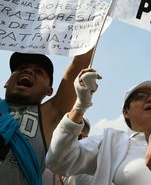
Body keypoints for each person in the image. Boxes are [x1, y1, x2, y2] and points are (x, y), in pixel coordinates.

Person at [46, 68, 151, 185]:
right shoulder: (109, 143)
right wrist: (80, 105)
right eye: (141, 96)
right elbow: (58, 160)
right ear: (126, 112)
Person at [0, 50, 93, 185]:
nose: (28, 71)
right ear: (7, 81)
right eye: (21, 68)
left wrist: (89, 30)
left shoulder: (48, 115)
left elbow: (79, 64)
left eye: (38, 72)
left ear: (49, 90)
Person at [42, 118, 92, 185]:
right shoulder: (44, 153)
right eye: (72, 130)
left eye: (80, 136)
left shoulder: (84, 169)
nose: (76, 138)